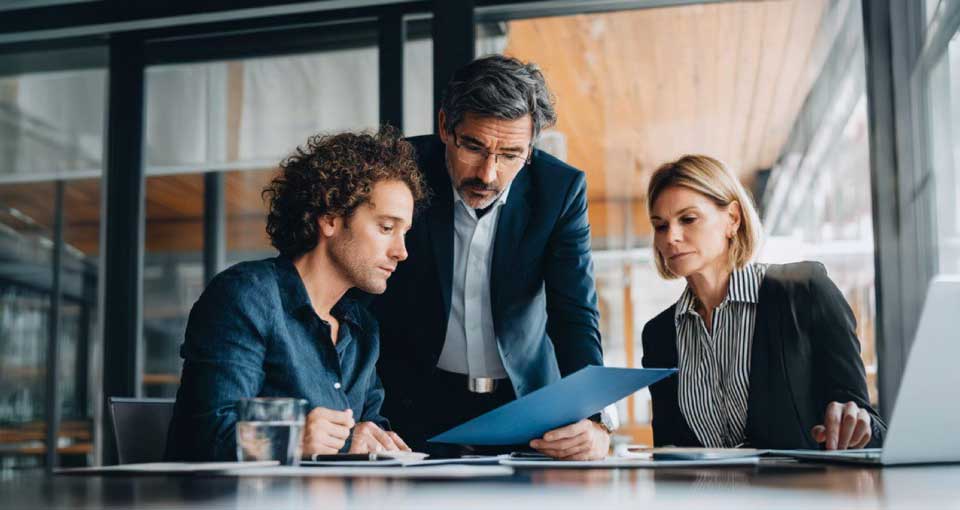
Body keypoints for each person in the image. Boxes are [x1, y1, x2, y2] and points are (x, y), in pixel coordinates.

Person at [370, 55, 616, 461]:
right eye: (474, 146)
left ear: (531, 146)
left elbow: (574, 314)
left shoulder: (561, 190)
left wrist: (593, 420)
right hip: (409, 402)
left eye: (510, 155)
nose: (488, 174)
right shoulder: (398, 171)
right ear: (446, 126)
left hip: (527, 406)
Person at [165, 128, 428, 461]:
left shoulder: (362, 329)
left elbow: (368, 433)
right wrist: (294, 437)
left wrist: (378, 443)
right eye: (386, 228)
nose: (401, 252)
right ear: (330, 218)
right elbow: (202, 437)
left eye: (403, 233)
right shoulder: (247, 296)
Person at [641, 154, 886, 450]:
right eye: (660, 226)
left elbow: (870, 428)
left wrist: (859, 424)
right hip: (706, 497)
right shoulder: (659, 335)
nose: (671, 237)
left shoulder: (805, 293)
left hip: (803, 494)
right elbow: (669, 456)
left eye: (688, 219)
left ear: (732, 219)